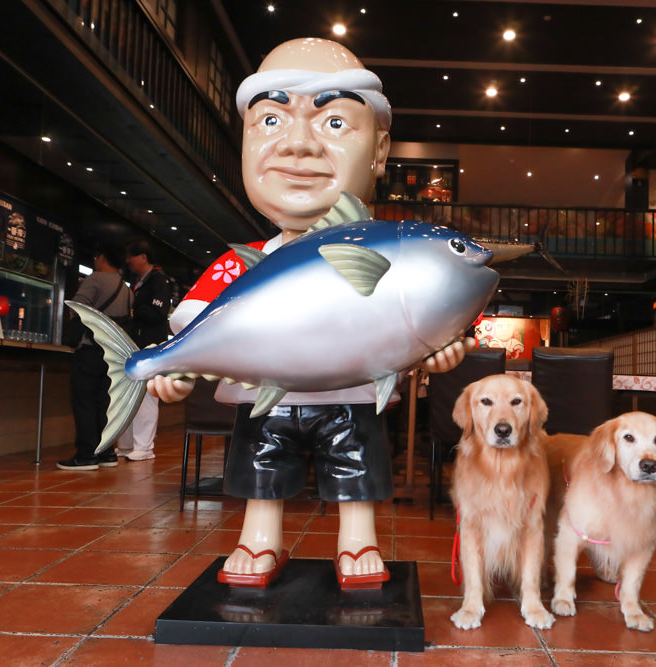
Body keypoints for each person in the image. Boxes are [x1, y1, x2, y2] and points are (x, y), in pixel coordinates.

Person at [148, 37, 473, 589]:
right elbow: (196, 324)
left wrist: (439, 349)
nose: (297, 145)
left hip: (351, 396)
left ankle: (358, 540)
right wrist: (173, 368)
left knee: (358, 459)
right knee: (261, 459)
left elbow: (412, 320)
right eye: (271, 121)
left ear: (380, 149)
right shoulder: (242, 265)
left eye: (335, 123)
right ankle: (258, 538)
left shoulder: (390, 256)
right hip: (263, 398)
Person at [58, 245, 134, 471]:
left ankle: (87, 455)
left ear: (101, 258)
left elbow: (77, 308)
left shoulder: (95, 279)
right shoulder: (126, 288)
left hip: (91, 349)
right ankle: (107, 452)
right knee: (105, 403)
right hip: (114, 355)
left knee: (85, 401)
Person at [116, 240, 172, 462]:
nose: (128, 261)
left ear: (143, 257)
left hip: (150, 347)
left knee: (147, 396)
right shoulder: (139, 281)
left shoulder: (158, 280)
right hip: (136, 346)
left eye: (132, 256)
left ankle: (144, 446)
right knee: (129, 396)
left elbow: (158, 313)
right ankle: (128, 444)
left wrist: (133, 310)